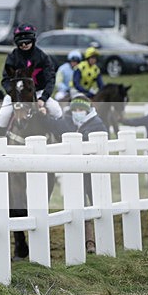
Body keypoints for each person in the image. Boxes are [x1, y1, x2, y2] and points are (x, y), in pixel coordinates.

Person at [44, 94, 108, 254]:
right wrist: (43, 115)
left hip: (93, 172)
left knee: (96, 204)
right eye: (75, 109)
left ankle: (101, 240)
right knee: (80, 204)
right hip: (76, 171)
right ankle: (88, 241)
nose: (77, 112)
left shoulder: (97, 124)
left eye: (81, 109)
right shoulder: (69, 121)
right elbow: (54, 125)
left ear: (87, 110)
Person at [0, 23, 61, 137]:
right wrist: (14, 94)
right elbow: (5, 80)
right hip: (17, 93)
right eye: (21, 43)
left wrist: (43, 98)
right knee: (3, 115)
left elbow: (50, 79)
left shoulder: (42, 57)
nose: (24, 45)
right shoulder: (12, 57)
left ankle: (61, 137)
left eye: (27, 42)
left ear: (33, 41)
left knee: (56, 110)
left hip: (38, 92)